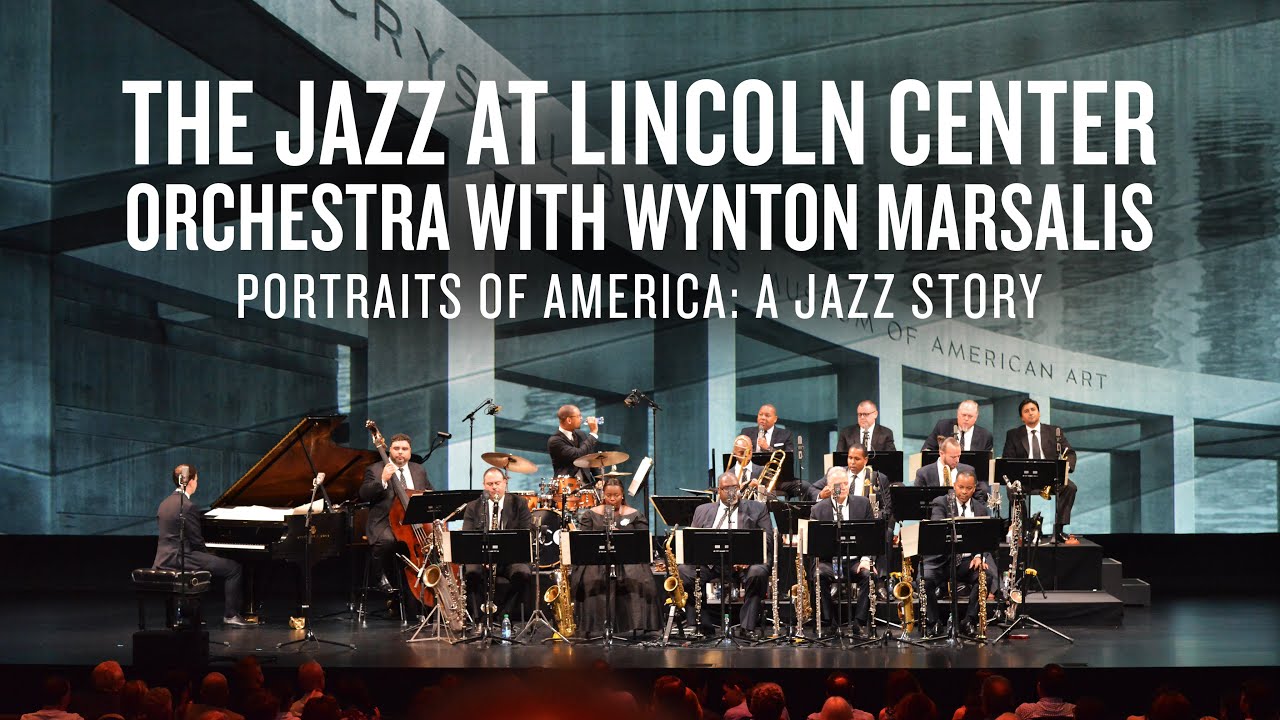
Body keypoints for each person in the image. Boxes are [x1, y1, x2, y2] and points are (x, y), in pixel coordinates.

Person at [152, 464, 252, 626]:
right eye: (197, 480)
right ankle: (231, 615)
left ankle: (190, 614)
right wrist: (210, 555)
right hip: (182, 558)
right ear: (191, 481)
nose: (197, 483)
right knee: (234, 569)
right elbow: (196, 541)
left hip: (162, 559)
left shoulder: (164, 503)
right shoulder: (188, 506)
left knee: (217, 564)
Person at [678, 472, 774, 637]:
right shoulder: (702, 510)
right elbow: (693, 541)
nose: (732, 492)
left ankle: (747, 627)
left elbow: (768, 539)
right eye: (727, 488)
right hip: (712, 563)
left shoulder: (757, 508)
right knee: (685, 571)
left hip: (746, 563)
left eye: (735, 487)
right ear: (718, 490)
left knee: (758, 572)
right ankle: (701, 624)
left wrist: (749, 556)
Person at [573, 477, 659, 637]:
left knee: (638, 577)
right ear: (603, 495)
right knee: (589, 578)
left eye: (616, 495)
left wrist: (622, 537)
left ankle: (637, 624)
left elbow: (642, 542)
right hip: (598, 559)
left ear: (622, 495)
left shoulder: (635, 514)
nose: (612, 499)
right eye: (608, 495)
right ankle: (594, 625)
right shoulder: (590, 514)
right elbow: (584, 542)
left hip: (627, 559)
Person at [921, 471, 998, 637]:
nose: (964, 492)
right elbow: (937, 528)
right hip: (942, 561)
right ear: (954, 486)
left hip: (965, 561)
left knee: (985, 576)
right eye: (961, 487)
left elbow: (984, 538)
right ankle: (934, 622)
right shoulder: (941, 502)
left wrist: (978, 556)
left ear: (974, 488)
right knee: (925, 580)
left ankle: (969, 620)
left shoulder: (980, 508)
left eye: (968, 488)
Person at [358, 432, 432, 598]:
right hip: (384, 520)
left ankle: (426, 580)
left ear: (410, 451)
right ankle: (378, 575)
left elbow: (429, 491)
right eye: (396, 448)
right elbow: (364, 494)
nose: (400, 452)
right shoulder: (375, 469)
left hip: (412, 520)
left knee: (431, 540)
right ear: (389, 450)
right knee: (387, 540)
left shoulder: (418, 469)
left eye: (404, 449)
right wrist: (383, 480)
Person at [1001, 399, 1079, 544]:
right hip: (1025, 478)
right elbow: (1007, 459)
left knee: (1070, 487)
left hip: (1050, 478)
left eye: (1033, 409)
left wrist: (1066, 467)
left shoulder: (1054, 431)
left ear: (1039, 413)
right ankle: (1024, 529)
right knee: (1012, 489)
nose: (1030, 413)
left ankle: (1059, 530)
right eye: (1026, 411)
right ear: (1022, 417)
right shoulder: (1013, 434)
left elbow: (1069, 452)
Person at [461, 467, 534, 621]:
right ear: (484, 485)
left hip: (510, 559)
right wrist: (483, 557)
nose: (494, 487)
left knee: (523, 573)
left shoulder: (519, 503)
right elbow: (468, 537)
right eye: (490, 484)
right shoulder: (473, 506)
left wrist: (504, 555)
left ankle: (503, 615)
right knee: (471, 572)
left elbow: (526, 534)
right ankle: (479, 618)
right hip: (482, 558)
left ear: (505, 483)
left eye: (497, 483)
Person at [809, 467, 874, 634]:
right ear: (830, 487)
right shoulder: (818, 509)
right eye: (839, 484)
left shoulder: (863, 504)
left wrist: (866, 559)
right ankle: (829, 622)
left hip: (854, 561)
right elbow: (814, 544)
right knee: (819, 575)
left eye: (846, 483)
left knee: (868, 575)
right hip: (829, 561)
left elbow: (871, 536)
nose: (844, 487)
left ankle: (859, 622)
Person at [738, 404, 809, 498]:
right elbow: (739, 454)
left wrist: (768, 448)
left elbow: (788, 458)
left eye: (767, 415)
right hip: (753, 478)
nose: (763, 418)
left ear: (775, 419)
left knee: (805, 486)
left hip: (778, 480)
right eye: (760, 414)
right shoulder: (746, 432)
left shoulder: (785, 434)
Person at [914, 437, 987, 504]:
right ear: (941, 453)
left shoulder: (968, 470)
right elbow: (917, 501)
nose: (957, 460)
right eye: (953, 457)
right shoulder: (924, 473)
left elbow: (979, 498)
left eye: (958, 456)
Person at [548, 404, 602, 489]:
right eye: (579, 416)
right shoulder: (555, 441)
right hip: (566, 487)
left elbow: (590, 458)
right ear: (569, 420)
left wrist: (599, 479)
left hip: (587, 485)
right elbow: (578, 455)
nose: (581, 418)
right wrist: (593, 433)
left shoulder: (581, 434)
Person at [922, 400, 994, 453]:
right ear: (957, 414)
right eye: (963, 415)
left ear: (976, 418)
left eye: (970, 416)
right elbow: (927, 450)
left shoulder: (985, 436)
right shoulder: (943, 427)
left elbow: (988, 460)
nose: (966, 419)